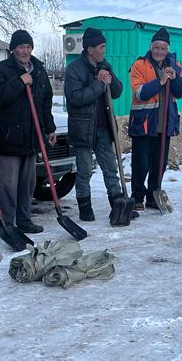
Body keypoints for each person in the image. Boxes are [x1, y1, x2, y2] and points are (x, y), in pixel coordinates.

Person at [0, 29, 57, 232]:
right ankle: (7, 223)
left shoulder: (39, 70)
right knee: (8, 184)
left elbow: (46, 102)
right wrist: (19, 82)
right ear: (13, 49)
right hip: (10, 136)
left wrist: (50, 127)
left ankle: (24, 220)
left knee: (28, 183)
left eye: (28, 47)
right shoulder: (1, 70)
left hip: (32, 135)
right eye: (21, 47)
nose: (25, 51)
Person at [64, 27, 127, 222]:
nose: (104, 50)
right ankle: (85, 208)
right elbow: (75, 98)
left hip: (103, 127)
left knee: (110, 169)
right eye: (101, 47)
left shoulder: (104, 64)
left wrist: (108, 78)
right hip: (83, 129)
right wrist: (99, 84)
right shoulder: (74, 69)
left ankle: (118, 206)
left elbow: (117, 91)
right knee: (84, 171)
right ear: (90, 49)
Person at [128, 27, 182, 210]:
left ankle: (154, 195)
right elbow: (140, 92)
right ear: (151, 47)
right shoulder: (140, 65)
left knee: (159, 163)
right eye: (156, 48)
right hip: (144, 123)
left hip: (165, 123)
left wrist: (175, 77)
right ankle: (138, 196)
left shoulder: (175, 65)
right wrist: (160, 81)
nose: (159, 52)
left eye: (163, 48)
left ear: (167, 49)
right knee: (141, 163)